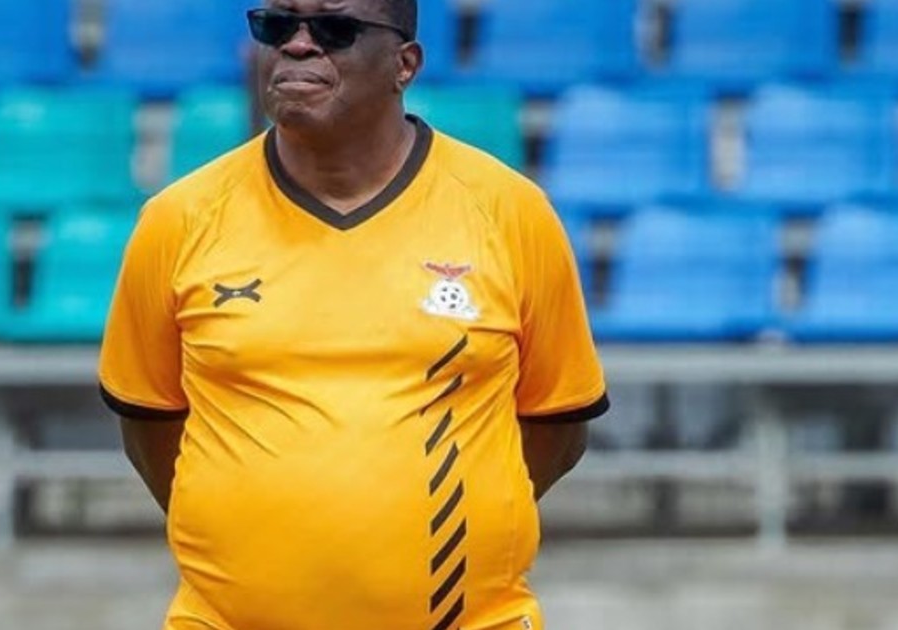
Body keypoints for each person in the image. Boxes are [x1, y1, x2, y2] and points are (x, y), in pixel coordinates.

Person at [98, 1, 609, 628]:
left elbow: (557, 425)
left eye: (334, 29)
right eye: (276, 25)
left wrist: (438, 527)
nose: (297, 45)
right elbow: (149, 421)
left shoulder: (510, 213)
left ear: (405, 64)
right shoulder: (177, 221)